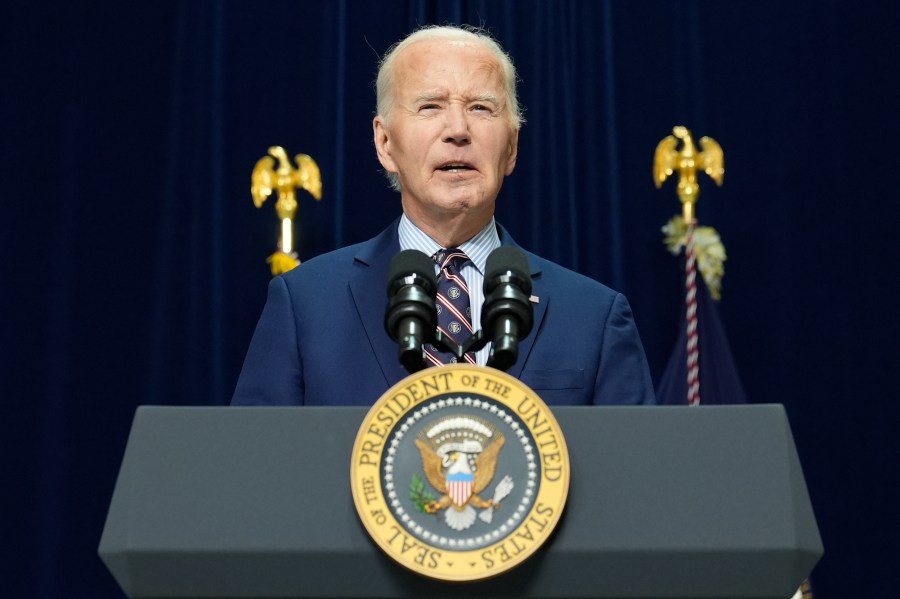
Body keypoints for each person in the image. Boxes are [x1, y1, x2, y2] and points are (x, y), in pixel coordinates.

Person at [231, 25, 655, 407]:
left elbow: (635, 480)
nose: (457, 130)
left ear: (511, 148)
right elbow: (256, 470)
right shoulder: (303, 304)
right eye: (431, 106)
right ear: (384, 143)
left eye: (481, 108)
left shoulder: (594, 316)